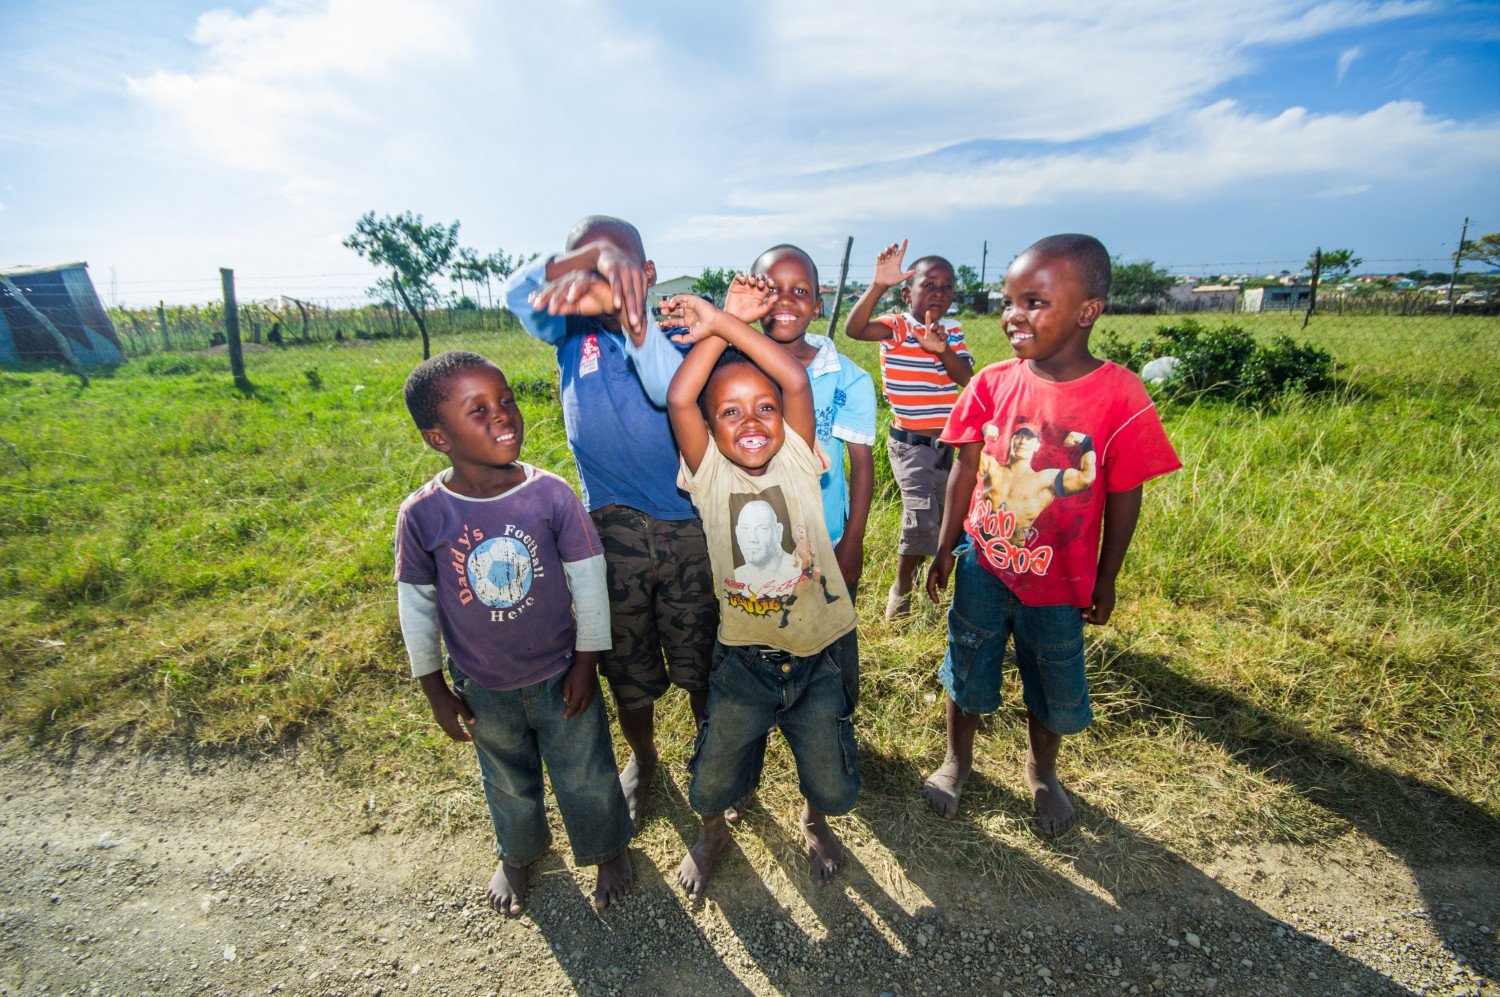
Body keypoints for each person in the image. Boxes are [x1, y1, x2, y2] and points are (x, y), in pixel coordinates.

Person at [922, 234, 1181, 838]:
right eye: (1010, 300)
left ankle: (1043, 773)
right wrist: (944, 546)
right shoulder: (990, 382)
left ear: (1088, 309)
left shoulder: (1122, 396)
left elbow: (1124, 491)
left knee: (1052, 674)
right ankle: (958, 761)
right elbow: (964, 466)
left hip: (1061, 583)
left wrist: (1107, 576)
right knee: (969, 661)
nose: (1014, 314)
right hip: (984, 563)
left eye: (1034, 301)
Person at [393, 351, 634, 915]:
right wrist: (435, 691)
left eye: (506, 401)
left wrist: (586, 662)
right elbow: (418, 609)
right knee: (505, 778)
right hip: (482, 684)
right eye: (478, 410)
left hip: (560, 674)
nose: (503, 415)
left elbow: (590, 584)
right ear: (438, 438)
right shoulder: (424, 515)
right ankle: (518, 852)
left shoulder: (550, 495)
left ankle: (606, 849)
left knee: (588, 771)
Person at [504, 216, 717, 827]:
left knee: (698, 654)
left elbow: (666, 389)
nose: (601, 275)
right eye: (587, 265)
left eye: (617, 264)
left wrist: (632, 316)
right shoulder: (568, 334)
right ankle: (645, 757)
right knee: (627, 667)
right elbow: (517, 291)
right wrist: (580, 264)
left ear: (647, 275)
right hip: (609, 531)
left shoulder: (674, 332)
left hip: (688, 527)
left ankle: (711, 756)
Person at [661, 275, 861, 899]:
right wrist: (722, 323)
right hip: (743, 661)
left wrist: (726, 324)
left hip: (819, 654)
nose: (750, 422)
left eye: (764, 408)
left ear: (785, 418)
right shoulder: (711, 475)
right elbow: (679, 399)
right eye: (730, 413)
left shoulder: (801, 458)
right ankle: (713, 829)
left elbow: (797, 380)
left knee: (831, 780)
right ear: (712, 432)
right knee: (714, 776)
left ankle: (814, 820)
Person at [842, 241, 973, 619]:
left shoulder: (954, 331)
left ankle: (945, 587)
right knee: (920, 519)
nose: (938, 293)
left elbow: (966, 378)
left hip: (953, 446)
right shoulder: (898, 326)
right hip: (912, 447)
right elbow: (854, 329)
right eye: (928, 285)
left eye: (947, 287)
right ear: (907, 292)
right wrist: (877, 285)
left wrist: (941, 349)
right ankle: (902, 590)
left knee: (953, 518)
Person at [747, 245, 876, 599]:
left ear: (818, 306)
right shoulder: (734, 373)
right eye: (772, 290)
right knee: (761, 642)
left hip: (825, 538)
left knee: (828, 644)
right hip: (754, 542)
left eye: (800, 291)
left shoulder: (848, 379)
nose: (785, 300)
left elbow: (861, 466)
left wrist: (853, 541)